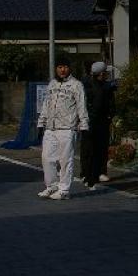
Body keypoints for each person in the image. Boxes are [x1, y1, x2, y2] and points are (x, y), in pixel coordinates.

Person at [36, 55, 89, 200]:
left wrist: (84, 124)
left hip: (67, 128)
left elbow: (81, 105)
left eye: (65, 67)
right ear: (56, 69)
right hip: (50, 128)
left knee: (66, 160)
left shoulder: (76, 85)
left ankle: (64, 189)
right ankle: (51, 186)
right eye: (59, 67)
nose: (62, 70)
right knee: (47, 158)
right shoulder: (52, 84)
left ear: (69, 68)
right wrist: (41, 123)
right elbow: (46, 104)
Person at [81, 61, 115, 190]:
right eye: (105, 73)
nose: (106, 75)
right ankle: (86, 174)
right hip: (90, 121)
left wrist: (111, 114)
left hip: (103, 121)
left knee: (102, 146)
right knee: (88, 148)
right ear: (100, 73)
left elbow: (111, 103)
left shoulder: (106, 86)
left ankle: (100, 172)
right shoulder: (87, 85)